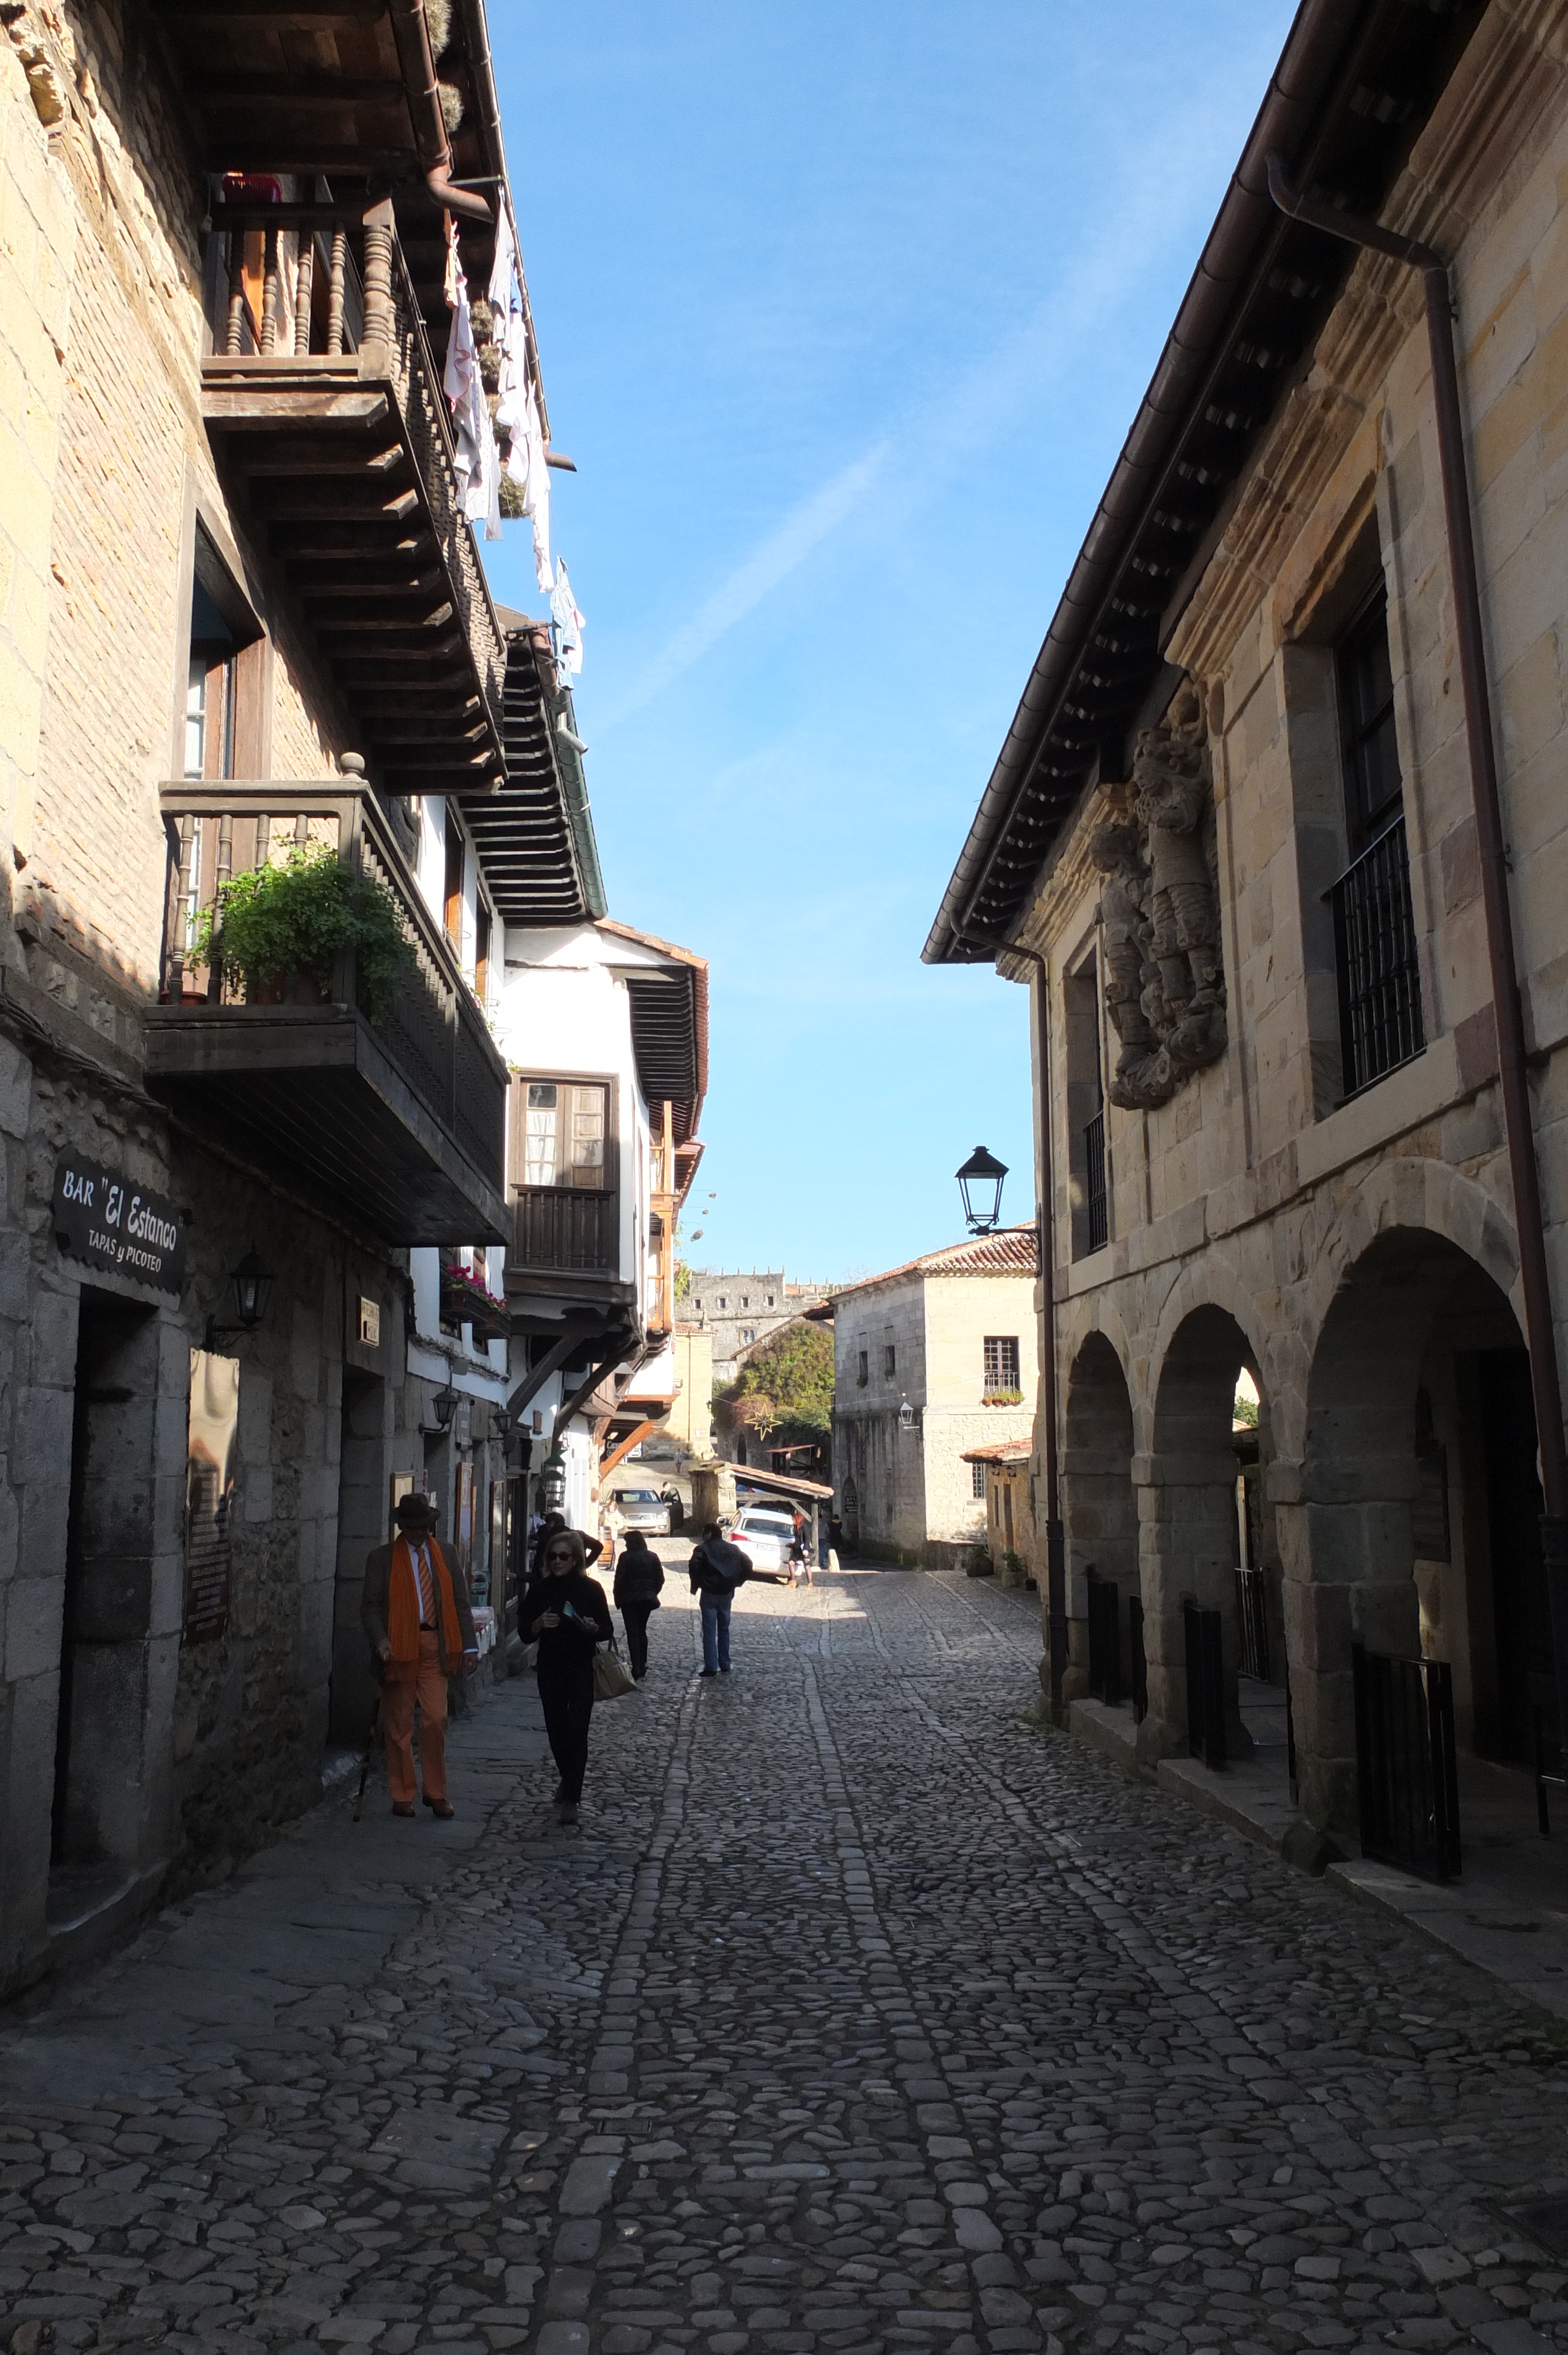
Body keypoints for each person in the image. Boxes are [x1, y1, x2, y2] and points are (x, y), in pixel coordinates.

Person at [362, 1491, 479, 1820]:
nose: (418, 1533)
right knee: (398, 1725)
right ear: (402, 1527)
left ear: (430, 1525)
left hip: (436, 1647)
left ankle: (436, 1791)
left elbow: (459, 1602)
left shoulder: (447, 1555)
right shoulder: (382, 1559)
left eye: (423, 1527)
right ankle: (402, 1794)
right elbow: (369, 1607)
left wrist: (469, 1645)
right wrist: (380, 1640)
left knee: (435, 1719)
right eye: (411, 1527)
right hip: (398, 1649)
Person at [520, 1527, 613, 1824]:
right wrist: (537, 1625)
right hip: (550, 1669)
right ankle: (568, 1779)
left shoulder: (591, 1590)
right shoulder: (540, 1590)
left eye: (564, 1556)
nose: (558, 1561)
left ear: (576, 1560)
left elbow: (607, 1629)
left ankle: (571, 1799)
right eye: (553, 1556)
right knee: (557, 1732)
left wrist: (592, 1627)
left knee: (577, 1731)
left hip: (581, 1668)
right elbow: (523, 1633)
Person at [688, 1521, 750, 1678]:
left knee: (709, 1630)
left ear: (709, 1534)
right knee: (724, 1629)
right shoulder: (733, 1549)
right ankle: (725, 1663)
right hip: (726, 1594)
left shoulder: (703, 1549)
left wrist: (697, 1584)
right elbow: (748, 1564)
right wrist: (737, 1582)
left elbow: (694, 1565)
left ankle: (711, 1665)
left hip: (709, 1593)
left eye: (704, 1534)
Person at [613, 1529, 665, 1679]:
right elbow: (660, 1579)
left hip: (629, 1601)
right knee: (641, 1630)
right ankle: (643, 1663)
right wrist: (653, 1592)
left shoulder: (626, 1557)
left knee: (632, 1632)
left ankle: (636, 1667)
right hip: (647, 1600)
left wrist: (618, 1597)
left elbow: (619, 1580)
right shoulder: (652, 1557)